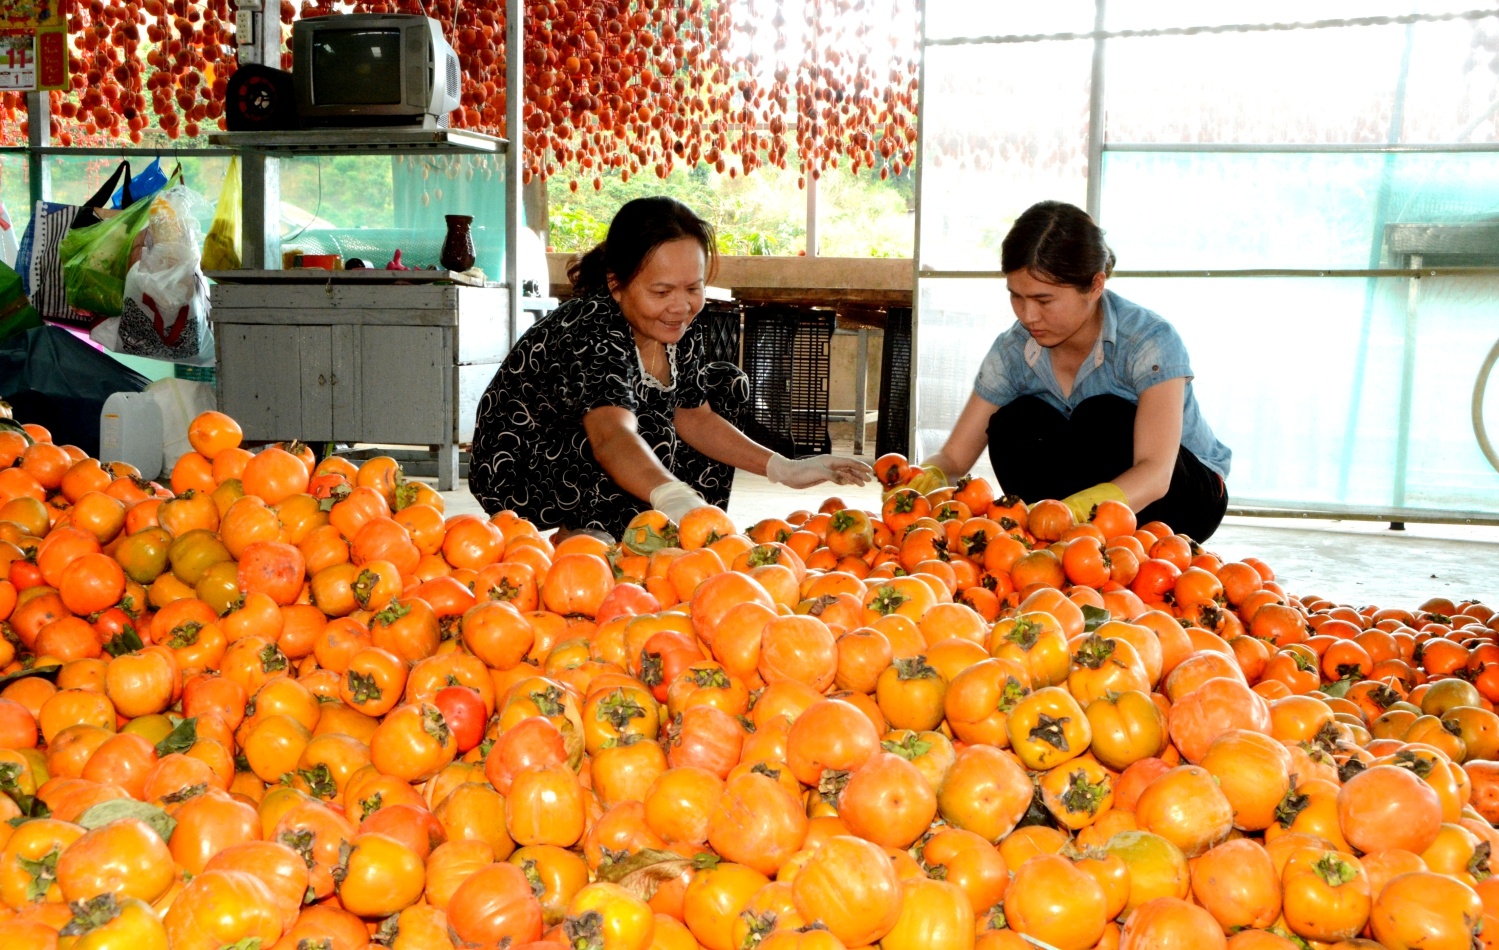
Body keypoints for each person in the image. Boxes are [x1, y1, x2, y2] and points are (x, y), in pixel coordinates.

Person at [469, 196, 871, 538]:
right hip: (527, 464)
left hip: (612, 439)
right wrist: (674, 495)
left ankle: (686, 530)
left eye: (693, 288)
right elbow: (611, 436)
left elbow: (694, 416)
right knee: (648, 426)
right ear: (616, 283)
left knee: (725, 385)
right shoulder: (589, 327)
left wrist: (784, 468)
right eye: (661, 291)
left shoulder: (678, 323)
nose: (681, 305)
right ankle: (583, 533)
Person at [921, 200, 1231, 541]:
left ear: (1096, 285)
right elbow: (954, 456)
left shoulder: (1147, 340)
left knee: (1101, 415)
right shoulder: (1014, 348)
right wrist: (924, 480)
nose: (1027, 315)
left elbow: (1157, 473)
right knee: (1014, 422)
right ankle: (1060, 540)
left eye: (1043, 300)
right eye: (1016, 297)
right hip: (1086, 505)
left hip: (1181, 498)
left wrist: (1073, 513)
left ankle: (1078, 534)